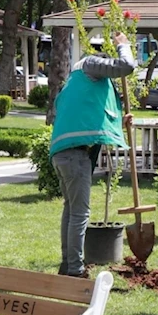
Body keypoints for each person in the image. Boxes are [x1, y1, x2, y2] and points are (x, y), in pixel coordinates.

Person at [49, 32, 136, 278]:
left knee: (71, 210)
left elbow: (87, 118)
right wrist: (124, 45)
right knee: (79, 214)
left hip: (63, 153)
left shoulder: (74, 84)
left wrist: (118, 123)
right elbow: (126, 66)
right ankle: (75, 270)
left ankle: (67, 266)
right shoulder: (90, 65)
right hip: (75, 156)